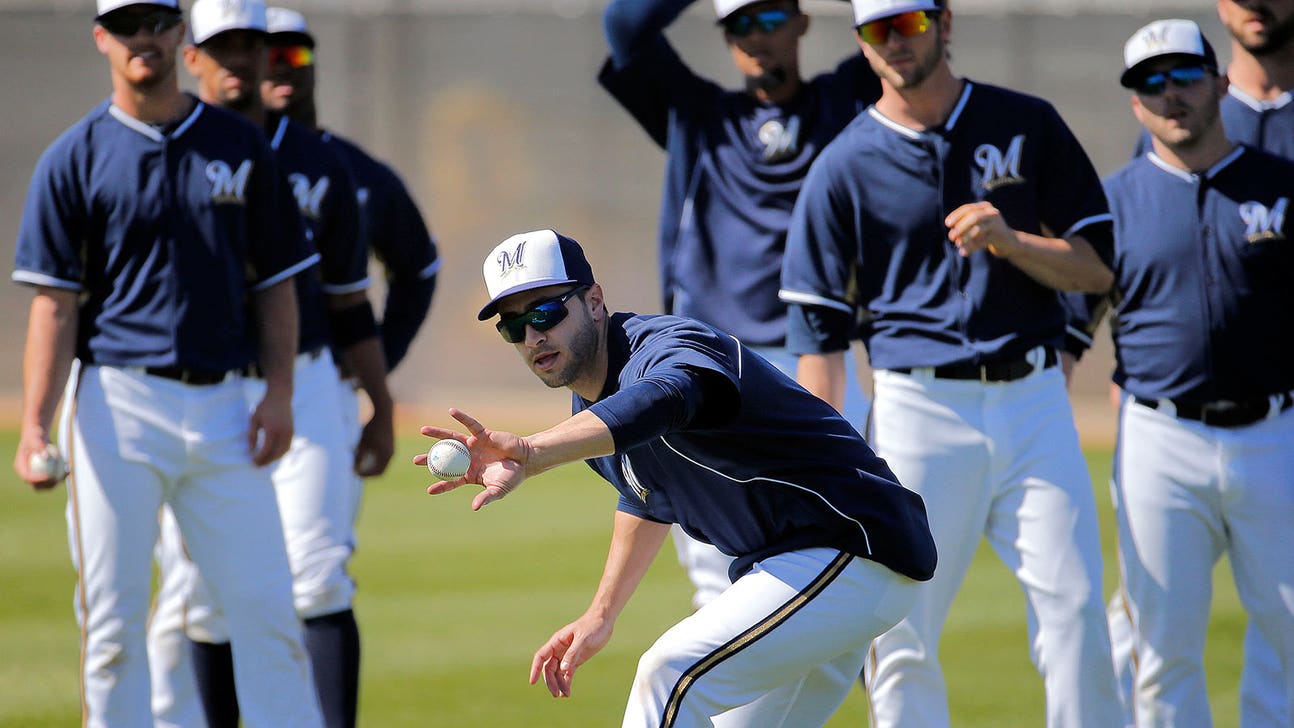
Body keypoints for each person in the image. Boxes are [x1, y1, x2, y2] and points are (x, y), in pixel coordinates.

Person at [417, 228, 935, 727]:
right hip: (803, 577)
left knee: (670, 675)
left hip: (853, 548)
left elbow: (666, 400)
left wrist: (533, 452)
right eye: (513, 326)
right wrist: (601, 614)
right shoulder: (592, 407)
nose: (533, 336)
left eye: (547, 311)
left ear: (594, 300)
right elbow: (645, 498)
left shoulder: (669, 346)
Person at [778, 0, 1122, 725]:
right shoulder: (841, 166)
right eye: (878, 30)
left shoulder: (1025, 121)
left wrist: (1013, 241)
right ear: (861, 45)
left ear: (944, 21)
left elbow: (1096, 270)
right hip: (917, 411)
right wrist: (828, 477)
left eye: (909, 23)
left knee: (1079, 615)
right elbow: (820, 344)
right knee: (901, 634)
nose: (896, 42)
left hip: (1034, 403)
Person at [11, 1, 323, 725]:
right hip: (115, 407)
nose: (142, 36)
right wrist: (32, 428)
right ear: (102, 39)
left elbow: (277, 282)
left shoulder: (241, 147)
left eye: (157, 19)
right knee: (112, 629)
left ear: (180, 33)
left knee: (269, 614)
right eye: (126, 24)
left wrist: (279, 395)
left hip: (226, 408)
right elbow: (54, 305)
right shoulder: (74, 155)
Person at [146, 1, 391, 726]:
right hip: (205, 386)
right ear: (194, 55)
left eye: (253, 45)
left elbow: (351, 299)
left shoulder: (319, 160)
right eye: (224, 46)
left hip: (310, 378)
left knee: (316, 578)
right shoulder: (167, 147)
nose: (242, 60)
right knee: (198, 591)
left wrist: (378, 399)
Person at [598, 0, 880, 610]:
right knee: (718, 575)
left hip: (819, 357)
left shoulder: (843, 106)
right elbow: (625, 23)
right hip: (710, 368)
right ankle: (731, 700)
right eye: (739, 24)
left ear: (803, 22)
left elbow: (903, 20)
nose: (756, 37)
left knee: (858, 553)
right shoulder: (698, 115)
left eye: (771, 19)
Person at [1078, 19, 1294, 727]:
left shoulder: (1281, 187)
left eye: (1183, 76)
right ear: (1135, 104)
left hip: (1277, 432)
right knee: (1161, 652)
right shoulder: (1107, 204)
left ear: (1221, 83)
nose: (1169, 94)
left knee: (1292, 640)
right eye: (1150, 83)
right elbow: (1069, 329)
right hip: (1159, 441)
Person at [261, 6, 440, 485]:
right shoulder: (215, 158)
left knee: (319, 553)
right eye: (267, 53)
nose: (281, 65)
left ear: (312, 64)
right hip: (225, 375)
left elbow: (417, 269)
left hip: (320, 375)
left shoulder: (355, 171)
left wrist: (374, 368)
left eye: (293, 52)